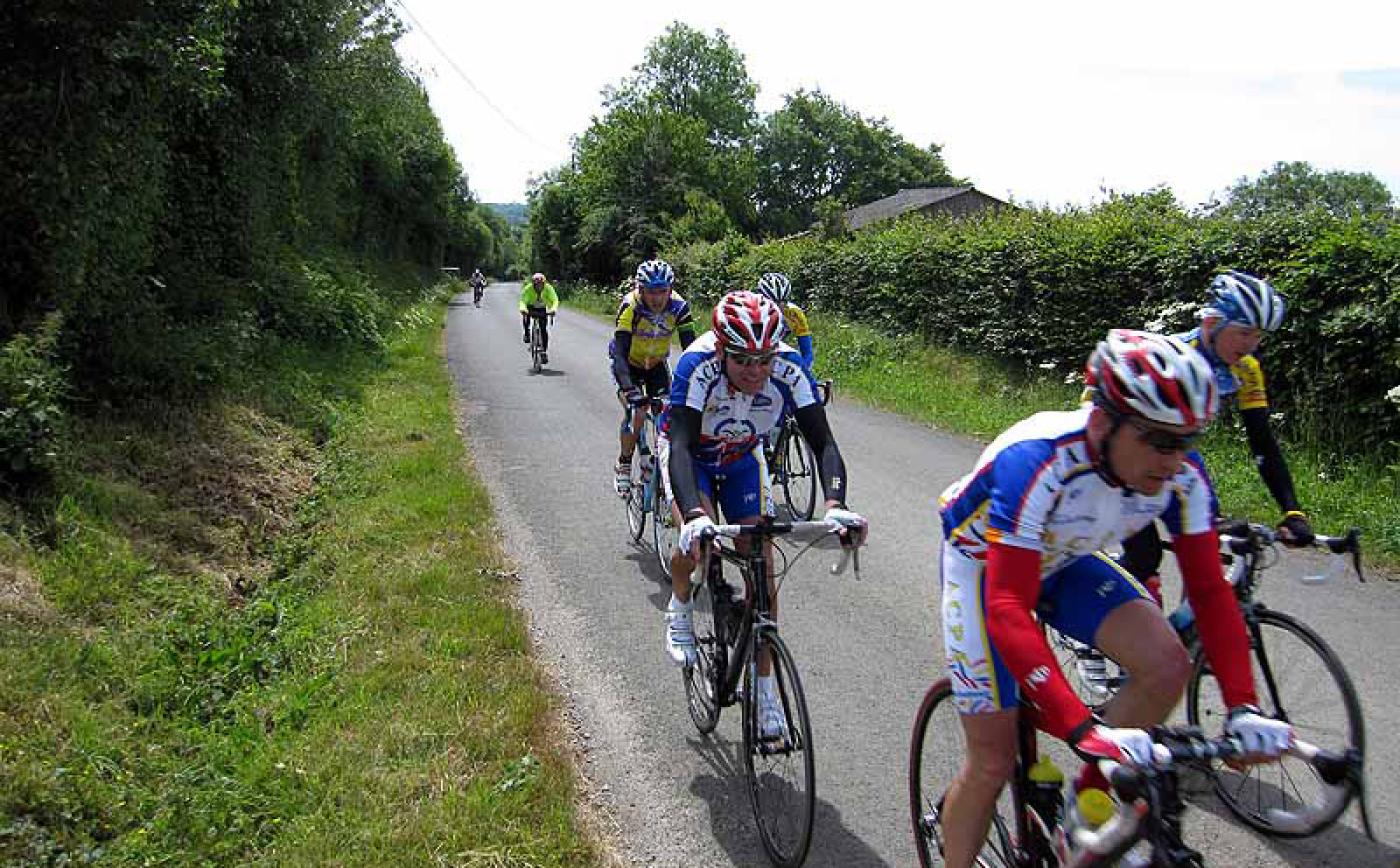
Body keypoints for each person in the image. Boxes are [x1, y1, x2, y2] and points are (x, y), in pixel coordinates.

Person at [935, 330, 1292, 868]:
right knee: (992, 757)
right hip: (985, 567)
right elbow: (1008, 604)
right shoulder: (1038, 459)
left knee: (1168, 663)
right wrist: (1084, 729)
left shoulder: (1183, 478)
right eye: (1158, 440)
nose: (1174, 461)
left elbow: (1210, 591)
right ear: (1104, 423)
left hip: (1065, 559)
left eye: (1187, 441)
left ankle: (1089, 803)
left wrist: (1243, 706)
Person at [660, 291, 867, 738]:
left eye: (763, 360)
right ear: (721, 350)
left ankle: (766, 692)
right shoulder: (696, 367)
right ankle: (680, 604)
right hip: (692, 456)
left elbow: (824, 444)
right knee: (697, 547)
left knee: (763, 567)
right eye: (742, 361)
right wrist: (695, 515)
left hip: (740, 456)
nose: (755, 372)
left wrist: (836, 504)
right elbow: (679, 445)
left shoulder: (791, 369)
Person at [1119, 270, 1311, 602]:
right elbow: (1126, 436)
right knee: (1145, 555)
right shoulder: (1174, 355)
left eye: (1259, 336)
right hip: (1130, 452)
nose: (1251, 344)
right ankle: (1094, 611)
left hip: (1180, 456)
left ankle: (1191, 633)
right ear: (1212, 324)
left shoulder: (1246, 369)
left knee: (1208, 555)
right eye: (1244, 332)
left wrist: (1292, 510)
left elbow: (1262, 442)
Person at [610, 259, 696, 495]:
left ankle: (657, 461)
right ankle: (624, 463)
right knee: (636, 412)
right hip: (629, 364)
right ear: (640, 289)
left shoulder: (679, 307)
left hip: (657, 364)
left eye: (662, 291)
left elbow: (692, 351)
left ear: (670, 289)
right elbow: (619, 352)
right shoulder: (631, 306)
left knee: (667, 414)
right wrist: (629, 388)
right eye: (651, 292)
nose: (657, 298)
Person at [755, 272, 814, 369]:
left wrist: (804, 371)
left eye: (783, 301)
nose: (778, 306)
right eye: (772, 302)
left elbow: (807, 352)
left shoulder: (794, 314)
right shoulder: (753, 313)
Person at [519, 272, 559, 363]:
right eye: (537, 284)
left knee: (543, 330)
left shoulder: (548, 288)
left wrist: (553, 309)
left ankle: (544, 351)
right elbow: (523, 301)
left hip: (542, 308)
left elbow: (554, 299)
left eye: (541, 284)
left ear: (544, 283)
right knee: (526, 316)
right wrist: (523, 309)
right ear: (533, 284)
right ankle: (527, 333)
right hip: (530, 306)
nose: (539, 286)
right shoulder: (528, 288)